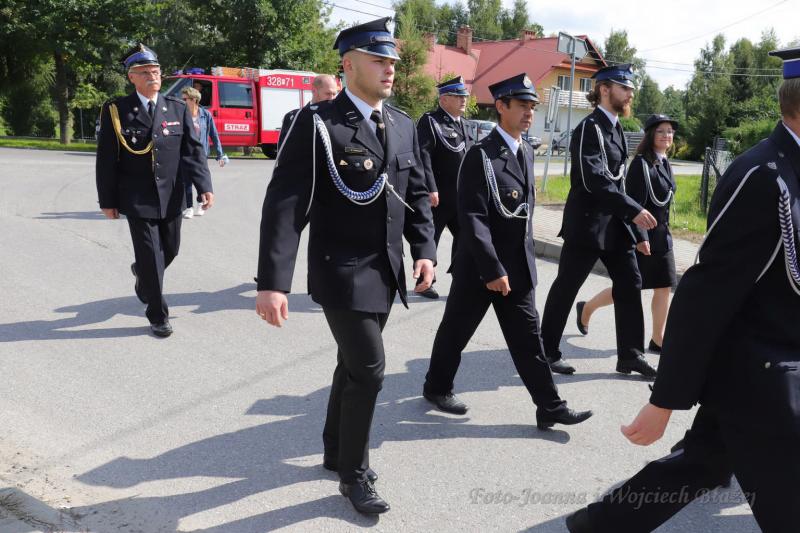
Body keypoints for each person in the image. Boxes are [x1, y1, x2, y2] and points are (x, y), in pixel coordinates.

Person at [565, 46, 800, 533]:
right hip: (764, 378)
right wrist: (665, 399)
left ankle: (598, 525)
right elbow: (705, 293)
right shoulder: (764, 175)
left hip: (771, 368)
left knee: (702, 464)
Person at [254, 18, 436, 515]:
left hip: (386, 271)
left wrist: (424, 249)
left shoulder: (402, 124)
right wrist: (273, 283)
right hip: (341, 270)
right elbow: (285, 205)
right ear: (349, 64)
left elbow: (417, 193)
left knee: (351, 365)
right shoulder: (317, 123)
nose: (390, 69)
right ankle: (354, 474)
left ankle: (335, 449)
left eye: (393, 62)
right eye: (379, 61)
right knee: (370, 370)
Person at [422, 73, 593, 430]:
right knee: (455, 332)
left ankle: (550, 406)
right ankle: (436, 387)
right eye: (522, 105)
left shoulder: (526, 150)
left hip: (517, 268)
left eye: (533, 106)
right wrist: (492, 269)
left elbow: (524, 216)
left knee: (529, 341)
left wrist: (522, 266)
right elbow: (473, 218)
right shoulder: (480, 155)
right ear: (501, 106)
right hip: (480, 268)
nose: (529, 112)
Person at [540, 64, 658, 378]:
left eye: (631, 88)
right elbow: (593, 180)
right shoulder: (589, 128)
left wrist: (638, 231)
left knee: (631, 282)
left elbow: (618, 182)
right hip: (588, 224)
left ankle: (630, 356)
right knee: (567, 286)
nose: (630, 94)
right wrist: (633, 210)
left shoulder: (616, 128)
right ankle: (547, 350)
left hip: (616, 225)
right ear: (604, 90)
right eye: (624, 88)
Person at [95, 43, 213, 337]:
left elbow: (193, 152)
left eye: (156, 72)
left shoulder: (177, 107)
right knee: (151, 256)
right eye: (145, 72)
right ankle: (158, 315)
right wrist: (107, 200)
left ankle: (142, 274)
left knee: (170, 250)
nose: (153, 77)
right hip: (137, 197)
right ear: (132, 77)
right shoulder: (117, 110)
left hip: (172, 195)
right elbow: (106, 159)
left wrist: (204, 186)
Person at [577, 114, 679, 353]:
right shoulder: (641, 165)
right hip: (644, 236)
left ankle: (657, 339)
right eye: (661, 131)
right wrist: (640, 237)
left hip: (662, 236)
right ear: (650, 135)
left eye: (670, 131)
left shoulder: (664, 162)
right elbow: (633, 204)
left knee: (664, 286)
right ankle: (587, 308)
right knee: (627, 288)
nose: (666, 136)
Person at [415, 75, 476, 299]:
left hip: (462, 196)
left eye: (464, 96)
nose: (463, 100)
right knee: (431, 240)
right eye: (458, 96)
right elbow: (423, 156)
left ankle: (461, 280)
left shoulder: (466, 125)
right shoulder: (431, 122)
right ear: (444, 100)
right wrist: (430, 187)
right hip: (438, 196)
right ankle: (425, 282)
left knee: (465, 240)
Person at [179, 86, 228, 219]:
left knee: (199, 180)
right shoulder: (181, 114)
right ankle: (189, 207)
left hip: (201, 153)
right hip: (185, 153)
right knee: (186, 181)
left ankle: (200, 203)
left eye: (185, 99)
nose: (182, 101)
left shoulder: (205, 115)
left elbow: (214, 135)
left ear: (194, 100)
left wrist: (220, 154)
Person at [276, 74, 339, 150]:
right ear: (314, 90)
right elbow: (284, 150)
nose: (332, 98)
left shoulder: (338, 117)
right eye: (328, 93)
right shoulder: (295, 117)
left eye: (334, 94)